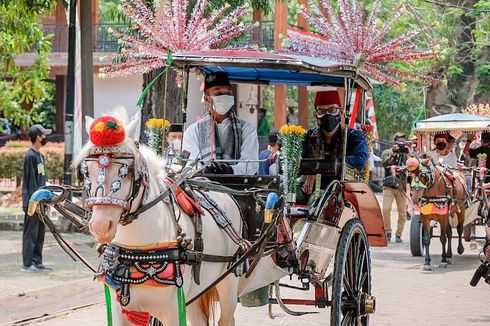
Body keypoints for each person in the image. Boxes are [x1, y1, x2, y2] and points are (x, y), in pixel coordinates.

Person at [182, 71, 259, 175]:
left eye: (228, 93)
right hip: (202, 187)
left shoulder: (247, 129)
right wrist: (205, 171)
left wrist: (229, 170)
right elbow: (191, 164)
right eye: (218, 93)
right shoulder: (193, 131)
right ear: (207, 99)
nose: (225, 97)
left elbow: (250, 164)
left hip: (238, 186)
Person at [300, 90, 368, 197]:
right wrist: (308, 171)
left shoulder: (353, 136)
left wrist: (315, 169)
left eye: (332, 110)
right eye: (321, 111)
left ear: (340, 112)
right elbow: (297, 160)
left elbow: (360, 159)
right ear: (315, 115)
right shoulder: (308, 136)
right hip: (311, 192)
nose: (327, 115)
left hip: (343, 193)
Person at [22, 124, 52, 272]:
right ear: (38, 137)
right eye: (44, 135)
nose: (46, 137)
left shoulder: (40, 155)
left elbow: (41, 180)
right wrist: (34, 202)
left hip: (41, 201)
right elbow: (30, 182)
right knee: (30, 233)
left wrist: (45, 199)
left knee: (40, 232)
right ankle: (28, 264)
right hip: (32, 202)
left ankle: (37, 261)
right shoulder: (30, 156)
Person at [381, 132, 411, 243]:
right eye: (399, 142)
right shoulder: (387, 152)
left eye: (403, 142)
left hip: (401, 187)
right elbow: (384, 164)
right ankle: (388, 232)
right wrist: (393, 153)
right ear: (394, 142)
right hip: (389, 185)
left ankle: (399, 235)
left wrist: (409, 153)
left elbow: (414, 165)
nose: (401, 144)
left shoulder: (407, 153)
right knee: (385, 209)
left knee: (402, 212)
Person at [464, 132, 490, 241]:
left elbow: (465, 152)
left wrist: (469, 140)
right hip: (485, 183)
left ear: (482, 140)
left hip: (484, 184)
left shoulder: (481, 150)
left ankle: (473, 230)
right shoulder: (481, 150)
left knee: (474, 199)